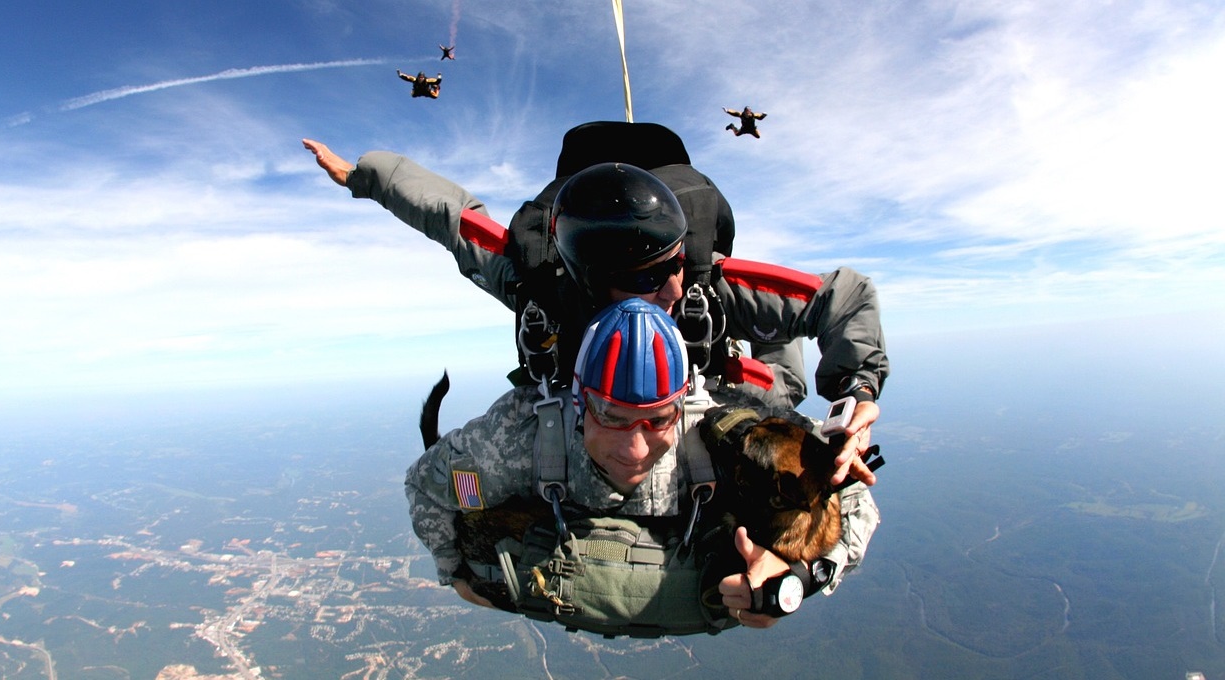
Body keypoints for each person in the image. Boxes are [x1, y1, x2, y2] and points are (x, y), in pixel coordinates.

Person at [300, 139, 887, 487]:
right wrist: (363, 176)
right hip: (583, 374)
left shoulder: (705, 285)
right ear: (585, 281)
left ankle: (770, 343)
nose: (667, 288)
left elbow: (846, 296)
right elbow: (454, 218)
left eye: (672, 265)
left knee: (781, 395)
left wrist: (856, 395)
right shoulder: (541, 282)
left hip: (707, 371)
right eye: (639, 279)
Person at [404, 298, 880, 633]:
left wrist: (799, 576)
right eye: (611, 415)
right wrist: (455, 572)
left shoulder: (722, 425)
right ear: (578, 402)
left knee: (782, 388)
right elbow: (426, 485)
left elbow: (857, 498)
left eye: (657, 420)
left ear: (682, 405)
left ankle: (774, 340)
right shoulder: (517, 439)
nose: (633, 449)